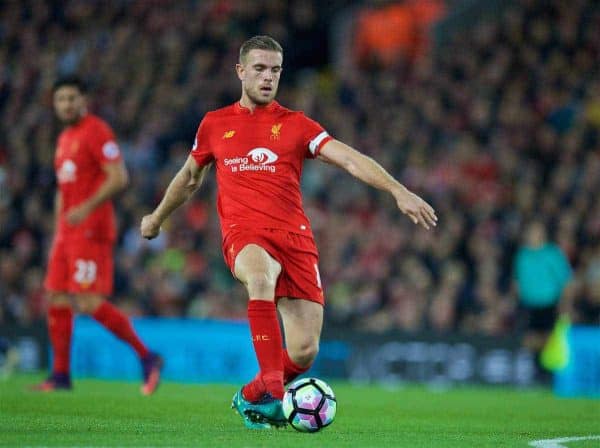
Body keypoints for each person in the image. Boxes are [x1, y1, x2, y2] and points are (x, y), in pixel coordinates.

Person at [140, 35, 436, 428]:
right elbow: (190, 177)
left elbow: (348, 158)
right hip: (244, 234)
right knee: (260, 277)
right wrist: (158, 217)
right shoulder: (215, 124)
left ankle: (250, 394)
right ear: (240, 71)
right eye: (259, 69)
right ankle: (278, 398)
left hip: (294, 238)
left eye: (275, 70)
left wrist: (397, 190)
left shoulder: (296, 125)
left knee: (304, 349)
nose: (267, 78)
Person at [33, 76, 163, 394]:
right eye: (60, 99)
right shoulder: (64, 138)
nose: (66, 105)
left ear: (84, 100)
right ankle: (61, 376)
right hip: (67, 232)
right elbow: (63, 191)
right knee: (56, 296)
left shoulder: (96, 131)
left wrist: (85, 208)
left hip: (91, 228)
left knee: (88, 301)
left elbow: (119, 178)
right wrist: (58, 228)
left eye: (71, 98)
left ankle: (147, 357)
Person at [514, 220, 573, 371]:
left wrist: (565, 304)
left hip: (549, 303)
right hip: (528, 304)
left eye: (535, 231)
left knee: (548, 338)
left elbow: (565, 280)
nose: (532, 235)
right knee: (528, 340)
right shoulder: (522, 255)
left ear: (543, 234)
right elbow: (517, 281)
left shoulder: (552, 254)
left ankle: (547, 372)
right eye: (530, 231)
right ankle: (534, 372)